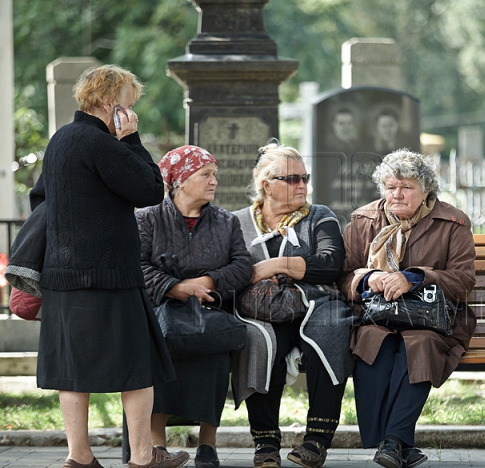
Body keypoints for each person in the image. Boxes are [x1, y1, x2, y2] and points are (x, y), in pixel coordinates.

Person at [29, 65, 189, 468]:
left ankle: (78, 457)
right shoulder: (102, 143)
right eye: (129, 105)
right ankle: (141, 457)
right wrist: (132, 139)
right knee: (138, 365)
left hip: (61, 275)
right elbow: (151, 190)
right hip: (108, 275)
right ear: (108, 103)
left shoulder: (61, 140)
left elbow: (39, 199)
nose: (133, 112)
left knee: (72, 370)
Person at [339, 149, 477, 468]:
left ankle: (391, 441)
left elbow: (464, 280)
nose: (397, 194)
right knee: (376, 342)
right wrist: (368, 278)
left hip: (434, 321)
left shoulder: (452, 222)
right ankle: (398, 443)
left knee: (419, 344)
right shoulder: (364, 221)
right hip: (376, 317)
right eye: (390, 187)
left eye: (407, 187)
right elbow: (343, 277)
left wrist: (415, 277)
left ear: (426, 189)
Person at [232, 141, 354, 468]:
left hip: (316, 303)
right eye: (292, 179)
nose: (302, 185)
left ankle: (316, 440)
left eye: (305, 177)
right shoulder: (238, 223)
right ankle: (265, 442)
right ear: (266, 185)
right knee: (259, 340)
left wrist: (276, 266)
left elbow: (330, 264)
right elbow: (228, 269)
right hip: (260, 311)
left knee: (329, 330)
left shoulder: (319, 216)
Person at [135, 145, 253, 468]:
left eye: (214, 175)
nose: (214, 181)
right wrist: (177, 287)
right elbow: (137, 266)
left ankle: (208, 445)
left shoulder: (226, 222)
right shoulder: (147, 218)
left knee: (215, 356)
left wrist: (208, 283)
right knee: (156, 352)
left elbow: (243, 267)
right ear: (181, 181)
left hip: (210, 314)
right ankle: (156, 444)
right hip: (161, 311)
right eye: (206, 175)